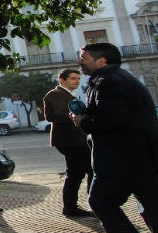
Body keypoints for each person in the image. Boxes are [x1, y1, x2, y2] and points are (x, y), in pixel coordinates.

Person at [71, 43, 158, 233]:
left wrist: (82, 122)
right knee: (153, 201)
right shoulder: (116, 78)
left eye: (84, 58)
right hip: (144, 155)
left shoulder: (109, 82)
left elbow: (110, 121)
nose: (80, 62)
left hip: (123, 157)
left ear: (102, 61)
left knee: (100, 202)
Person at [43, 68, 94, 217]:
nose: (77, 81)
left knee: (75, 173)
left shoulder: (70, 95)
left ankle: (70, 208)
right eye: (73, 78)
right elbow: (51, 116)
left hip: (74, 139)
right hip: (68, 140)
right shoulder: (55, 94)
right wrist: (74, 117)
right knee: (91, 169)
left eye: (78, 78)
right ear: (62, 80)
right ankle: (97, 204)